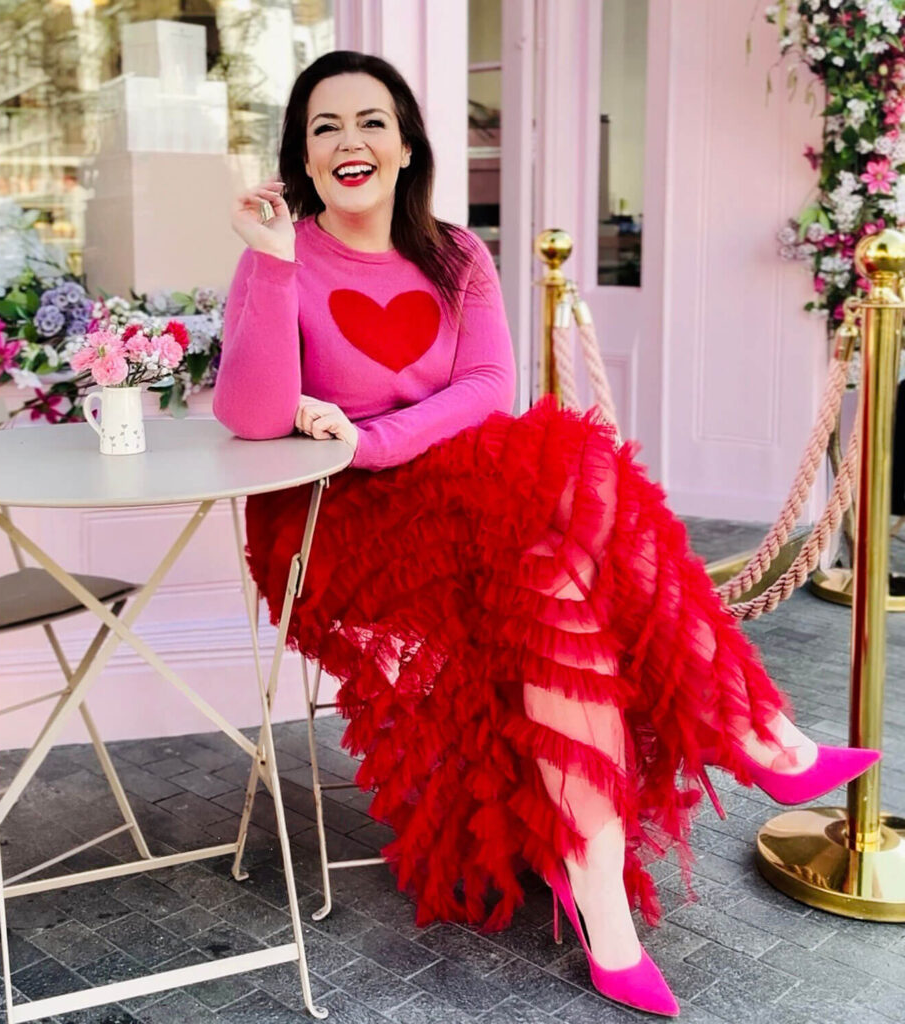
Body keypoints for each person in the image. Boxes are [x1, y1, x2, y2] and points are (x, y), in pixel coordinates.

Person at [212, 50, 880, 1017]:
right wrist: (274, 266)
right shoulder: (280, 257)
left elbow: (489, 387)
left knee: (555, 583)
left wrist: (376, 436)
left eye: (370, 121)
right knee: (571, 466)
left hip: (456, 499)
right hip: (336, 524)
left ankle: (606, 909)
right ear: (303, 158)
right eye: (324, 128)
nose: (348, 141)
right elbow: (252, 415)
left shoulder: (455, 254)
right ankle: (755, 732)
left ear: (407, 146)